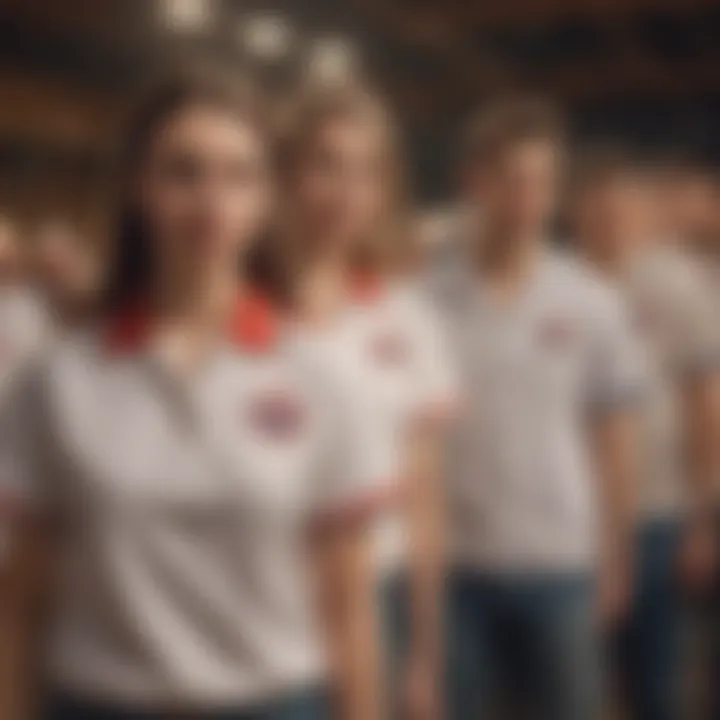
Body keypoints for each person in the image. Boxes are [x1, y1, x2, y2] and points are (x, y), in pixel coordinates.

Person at [0, 64, 392, 720]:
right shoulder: (57, 381)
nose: (212, 202)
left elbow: (348, 608)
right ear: (138, 186)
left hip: (273, 702)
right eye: (184, 172)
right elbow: (21, 603)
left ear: (268, 198)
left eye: (239, 176)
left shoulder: (324, 380)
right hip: (101, 702)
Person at [427, 98, 644, 720]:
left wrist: (617, 555)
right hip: (457, 570)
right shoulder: (425, 300)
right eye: (513, 180)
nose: (528, 200)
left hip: (561, 566)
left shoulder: (592, 301)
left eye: (543, 183)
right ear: (475, 182)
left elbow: (615, 439)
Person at [266, 84, 457, 719]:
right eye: (327, 165)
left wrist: (427, 653)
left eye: (368, 171)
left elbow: (425, 499)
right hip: (263, 593)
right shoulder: (233, 315)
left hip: (380, 592)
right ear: (286, 172)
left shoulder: (405, 320)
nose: (349, 191)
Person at [573, 150, 720, 720]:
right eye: (598, 205)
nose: (611, 218)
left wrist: (703, 521)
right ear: (575, 210)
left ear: (640, 211)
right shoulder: (557, 283)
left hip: (657, 515)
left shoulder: (675, 284)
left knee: (658, 683)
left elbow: (705, 407)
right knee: (587, 686)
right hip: (576, 523)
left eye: (623, 205)